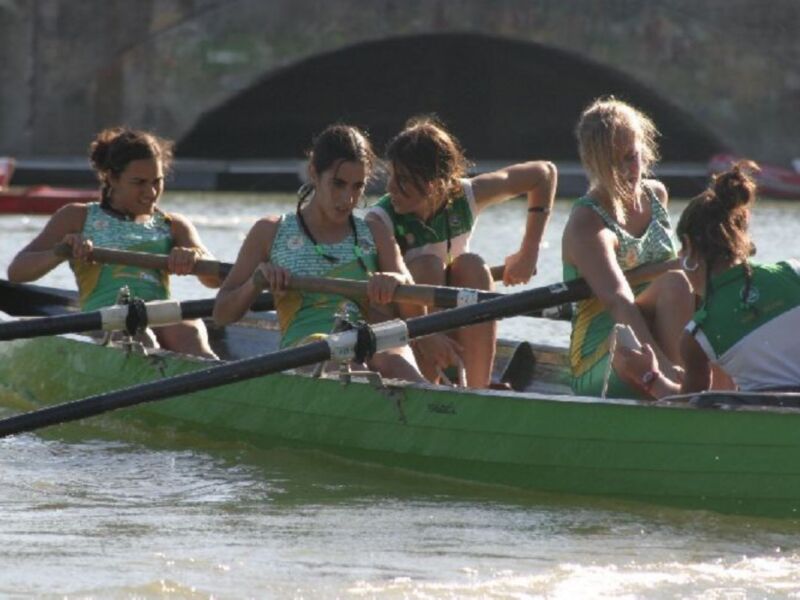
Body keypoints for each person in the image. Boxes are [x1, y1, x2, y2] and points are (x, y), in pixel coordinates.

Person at [213, 124, 425, 383]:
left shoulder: (376, 233)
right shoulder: (269, 231)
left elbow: (417, 314)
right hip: (308, 349)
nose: (348, 198)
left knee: (395, 358)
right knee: (351, 370)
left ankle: (430, 403)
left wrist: (398, 281)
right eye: (338, 184)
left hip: (367, 342)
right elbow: (221, 314)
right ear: (314, 172)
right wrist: (255, 283)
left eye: (358, 186)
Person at [367, 116, 557, 388]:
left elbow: (544, 173)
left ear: (435, 182)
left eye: (403, 179)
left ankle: (477, 391)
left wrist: (528, 253)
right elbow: (397, 282)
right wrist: (425, 334)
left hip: (448, 317)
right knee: (429, 267)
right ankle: (427, 387)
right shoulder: (380, 220)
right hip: (402, 330)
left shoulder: (466, 196)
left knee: (472, 266)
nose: (390, 187)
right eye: (392, 176)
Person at [7, 127, 220, 358]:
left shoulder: (174, 224)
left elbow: (217, 279)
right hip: (106, 316)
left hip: (162, 313)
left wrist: (195, 257)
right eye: (139, 182)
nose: (151, 192)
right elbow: (17, 272)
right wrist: (59, 253)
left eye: (157, 182)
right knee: (139, 336)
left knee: (189, 332)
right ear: (112, 178)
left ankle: (220, 380)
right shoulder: (76, 217)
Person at [613, 162, 800, 398]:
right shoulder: (792, 272)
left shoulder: (698, 333)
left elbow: (689, 406)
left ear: (689, 246)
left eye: (681, 248)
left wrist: (648, 376)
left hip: (766, 422)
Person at [561, 96, 693, 399]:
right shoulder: (587, 222)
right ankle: (681, 394)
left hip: (660, 337)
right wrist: (664, 375)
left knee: (678, 284)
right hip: (605, 355)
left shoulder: (656, 195)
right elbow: (619, 301)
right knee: (674, 281)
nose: (630, 170)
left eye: (633, 156)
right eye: (616, 162)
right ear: (594, 164)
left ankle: (691, 387)